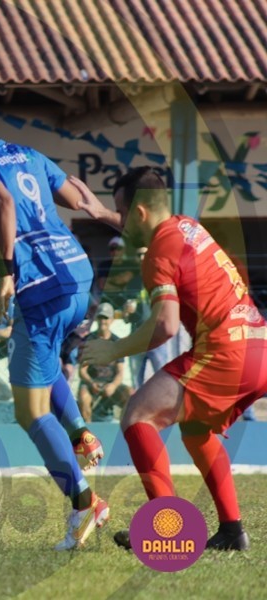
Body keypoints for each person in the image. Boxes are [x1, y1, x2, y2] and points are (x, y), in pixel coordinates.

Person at [0, 104, 108, 550]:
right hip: (77, 275)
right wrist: (106, 213)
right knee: (40, 363)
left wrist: (7, 268)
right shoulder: (27, 153)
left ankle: (84, 503)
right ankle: (80, 433)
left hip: (41, 287)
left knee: (29, 412)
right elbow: (75, 198)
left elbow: (4, 202)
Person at [76, 166, 267, 551]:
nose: (122, 222)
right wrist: (103, 214)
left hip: (225, 353)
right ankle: (232, 531)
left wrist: (114, 349)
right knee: (195, 430)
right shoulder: (187, 226)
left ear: (139, 212)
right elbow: (143, 227)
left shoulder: (157, 255)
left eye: (123, 213)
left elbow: (165, 326)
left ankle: (168, 529)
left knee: (137, 415)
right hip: (258, 347)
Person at [121, 246, 172, 389]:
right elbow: (125, 318)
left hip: (156, 336)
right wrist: (126, 312)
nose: (142, 258)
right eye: (139, 255)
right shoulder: (132, 283)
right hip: (137, 336)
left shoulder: (161, 279)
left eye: (145, 254)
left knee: (163, 379)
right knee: (136, 382)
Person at [77, 303, 132, 422]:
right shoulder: (88, 340)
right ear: (96, 319)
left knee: (131, 394)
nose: (103, 321)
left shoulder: (117, 342)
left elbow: (120, 372)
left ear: (112, 320)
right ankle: (88, 431)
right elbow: (82, 371)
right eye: (100, 317)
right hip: (91, 383)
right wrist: (92, 383)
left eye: (106, 318)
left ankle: (124, 429)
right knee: (84, 397)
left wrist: (113, 385)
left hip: (111, 383)